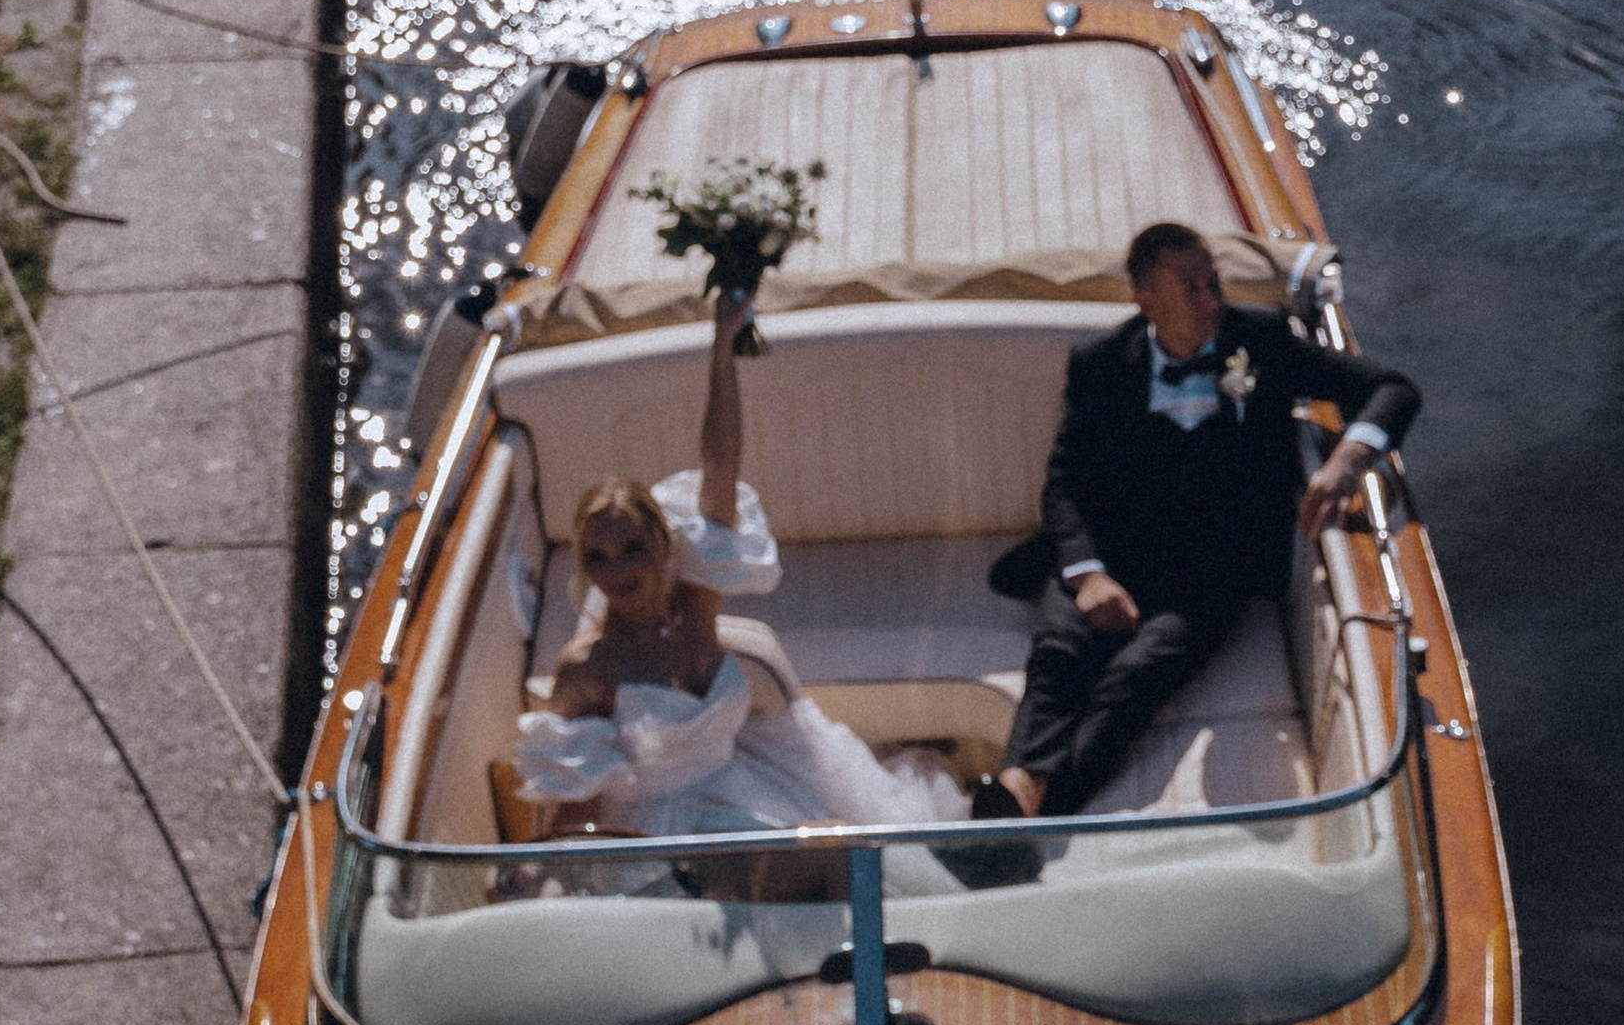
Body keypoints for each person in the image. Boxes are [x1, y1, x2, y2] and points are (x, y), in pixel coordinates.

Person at [956, 217, 1420, 880]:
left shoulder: (1259, 343)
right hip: (1112, 553)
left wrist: (1349, 458)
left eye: (1213, 281)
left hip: (1213, 568)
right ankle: (1018, 801)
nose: (1211, 299)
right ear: (1146, 299)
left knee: (1136, 677)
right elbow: (1065, 485)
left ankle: (1017, 815)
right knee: (1059, 656)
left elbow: (1394, 389)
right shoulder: (1101, 365)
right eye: (1192, 286)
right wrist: (1088, 575)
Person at [501, 289, 964, 877]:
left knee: (857, 854)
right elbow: (577, 814)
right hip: (666, 838)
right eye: (598, 558)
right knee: (823, 863)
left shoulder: (695, 602)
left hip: (748, 788)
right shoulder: (586, 667)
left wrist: (722, 344)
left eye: (633, 550)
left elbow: (721, 467)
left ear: (665, 549)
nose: (618, 572)